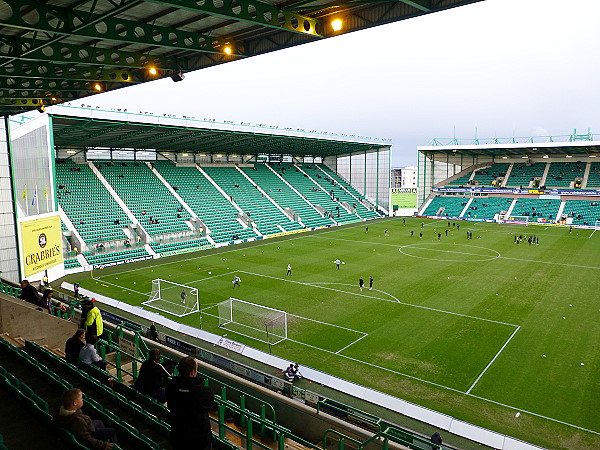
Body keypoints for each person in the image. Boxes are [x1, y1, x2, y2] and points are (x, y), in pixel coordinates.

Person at [166, 357, 214, 450]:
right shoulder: (204, 392)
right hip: (199, 440)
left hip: (178, 436)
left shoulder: (170, 388)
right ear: (193, 372)